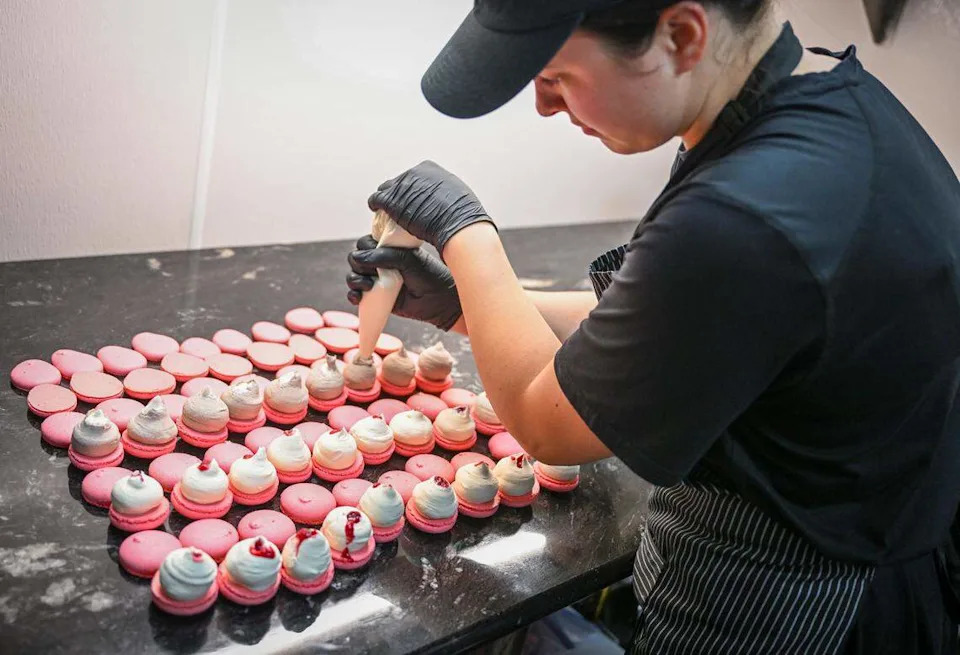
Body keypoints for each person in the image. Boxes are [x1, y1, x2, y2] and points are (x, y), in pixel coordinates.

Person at [345, 1, 960, 652]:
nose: (543, 106)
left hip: (791, 591)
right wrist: (464, 304)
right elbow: (676, 329)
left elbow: (548, 421)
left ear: (681, 35)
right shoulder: (824, 108)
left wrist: (467, 237)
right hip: (879, 533)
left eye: (557, 75)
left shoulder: (747, 210)